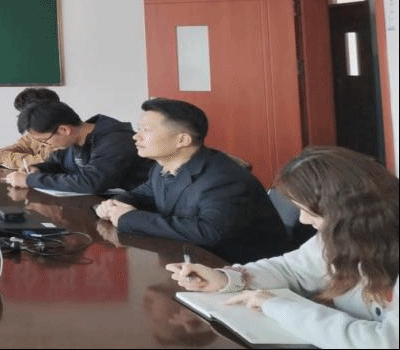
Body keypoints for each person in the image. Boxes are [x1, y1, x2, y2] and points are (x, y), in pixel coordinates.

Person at [166, 146, 398, 349]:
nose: (304, 220)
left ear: (350, 209)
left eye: (309, 211)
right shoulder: (344, 235)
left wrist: (276, 306)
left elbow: (386, 342)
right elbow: (291, 270)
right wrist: (226, 279)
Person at [95, 98, 288, 264]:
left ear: (182, 140)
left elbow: (208, 232)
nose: (136, 137)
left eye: (146, 130)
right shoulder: (162, 167)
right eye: (139, 129)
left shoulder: (223, 179)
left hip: (238, 270)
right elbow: (142, 195)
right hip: (191, 262)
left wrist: (129, 218)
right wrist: (115, 205)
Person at [3, 101, 152, 194]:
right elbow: (56, 163)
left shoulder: (115, 140)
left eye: (44, 140)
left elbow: (92, 182)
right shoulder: (73, 140)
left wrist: (31, 180)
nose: (44, 145)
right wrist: (38, 169)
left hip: (142, 207)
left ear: (64, 130)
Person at [0, 88, 61, 170]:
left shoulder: (63, 135)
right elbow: (21, 146)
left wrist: (0, 157)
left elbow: (44, 162)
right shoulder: (38, 132)